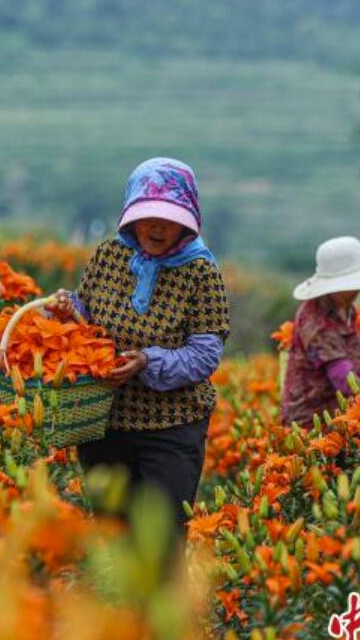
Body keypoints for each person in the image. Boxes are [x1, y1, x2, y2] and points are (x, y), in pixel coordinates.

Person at [54, 157, 230, 538]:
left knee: (162, 535)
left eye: (169, 217)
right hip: (103, 418)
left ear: (188, 220)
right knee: (117, 532)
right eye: (148, 215)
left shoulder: (201, 272)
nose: (157, 226)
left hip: (170, 425)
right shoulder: (108, 255)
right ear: (131, 216)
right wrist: (71, 311)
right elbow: (88, 317)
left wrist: (147, 361)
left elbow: (204, 355)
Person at [280, 236, 360, 428]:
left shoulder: (346, 306)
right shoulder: (317, 322)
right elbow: (342, 377)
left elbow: (340, 349)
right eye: (353, 282)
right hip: (311, 425)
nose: (359, 287)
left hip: (341, 413)